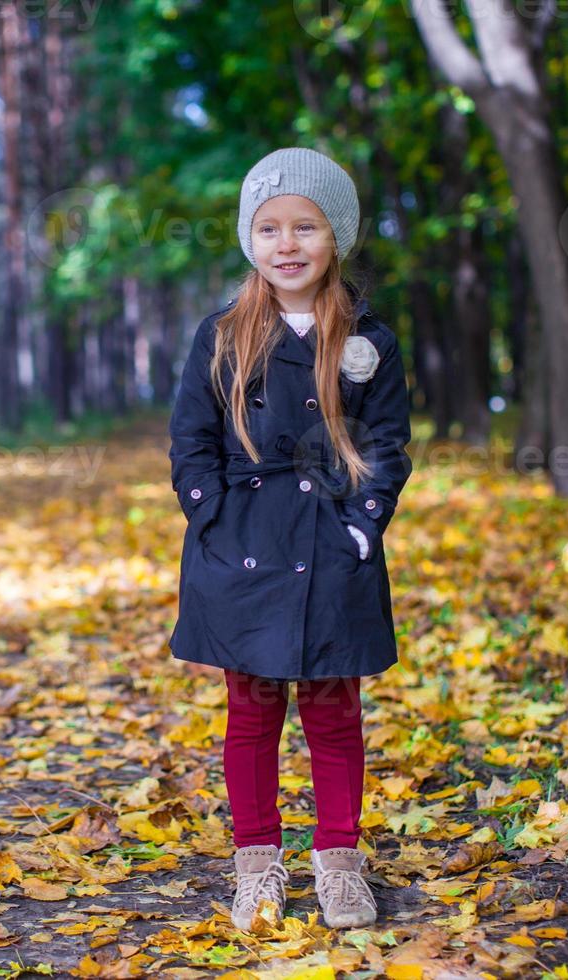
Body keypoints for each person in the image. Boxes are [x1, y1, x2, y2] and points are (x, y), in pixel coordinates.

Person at [166, 147, 413, 931]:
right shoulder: (223, 334)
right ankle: (257, 868)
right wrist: (210, 513)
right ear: (251, 240)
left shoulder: (369, 338)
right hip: (244, 550)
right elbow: (190, 441)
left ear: (334, 236)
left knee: (334, 711)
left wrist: (362, 528)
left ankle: (340, 864)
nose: (288, 243)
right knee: (252, 712)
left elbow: (387, 446)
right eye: (270, 227)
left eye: (305, 225)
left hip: (334, 547)